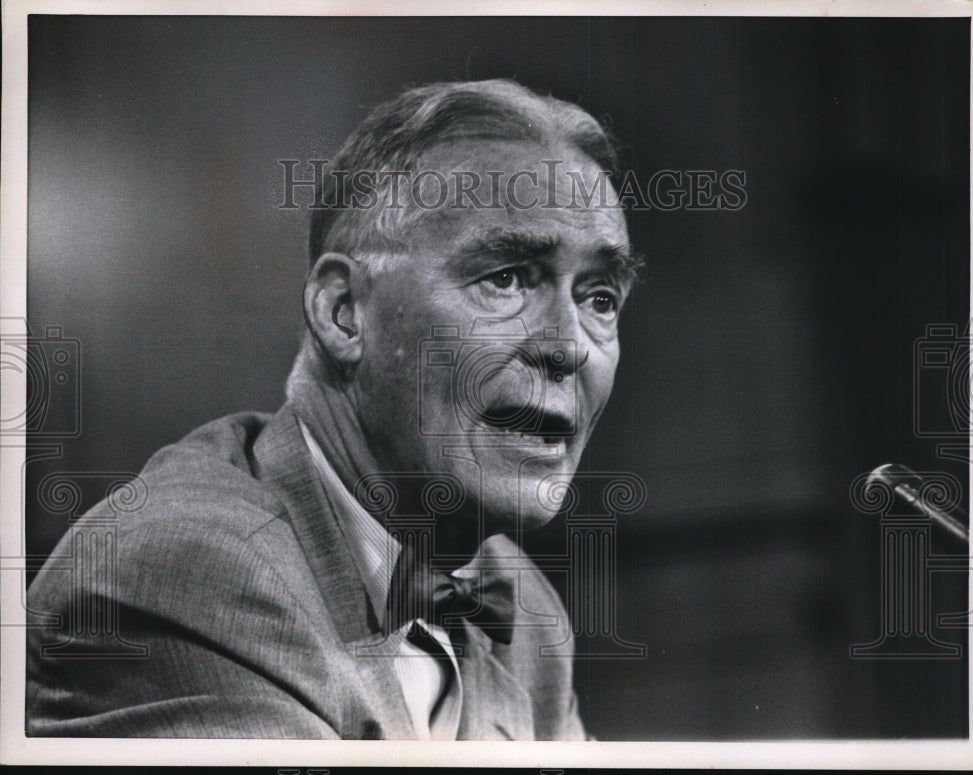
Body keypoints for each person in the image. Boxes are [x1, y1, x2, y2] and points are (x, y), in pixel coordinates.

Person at [25, 79, 641, 739]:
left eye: (600, 296)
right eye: (505, 278)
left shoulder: (523, 611)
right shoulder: (185, 570)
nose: (570, 345)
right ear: (344, 313)